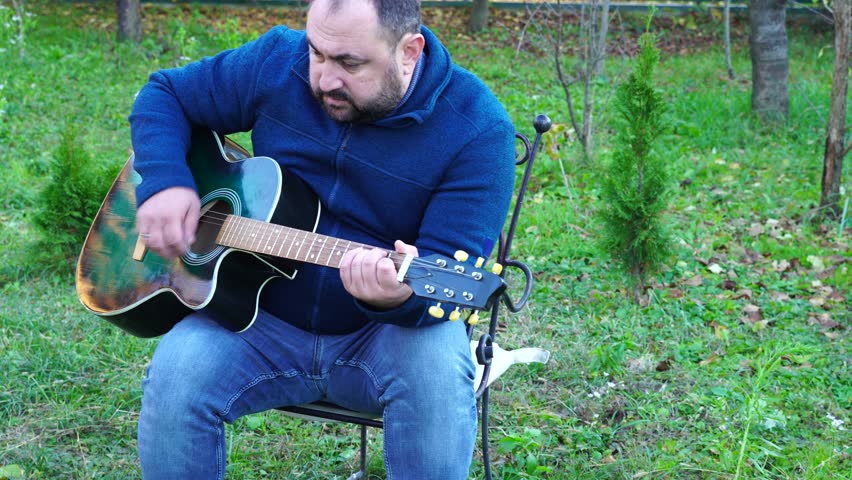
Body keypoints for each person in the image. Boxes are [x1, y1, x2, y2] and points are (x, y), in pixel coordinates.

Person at [128, 0, 516, 478]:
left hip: (384, 339)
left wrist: (396, 297)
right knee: (175, 378)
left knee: (437, 370)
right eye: (317, 53)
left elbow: (444, 283)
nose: (323, 80)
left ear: (409, 52)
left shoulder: (477, 131)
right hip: (255, 319)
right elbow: (165, 93)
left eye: (350, 63)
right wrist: (166, 183)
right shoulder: (278, 61)